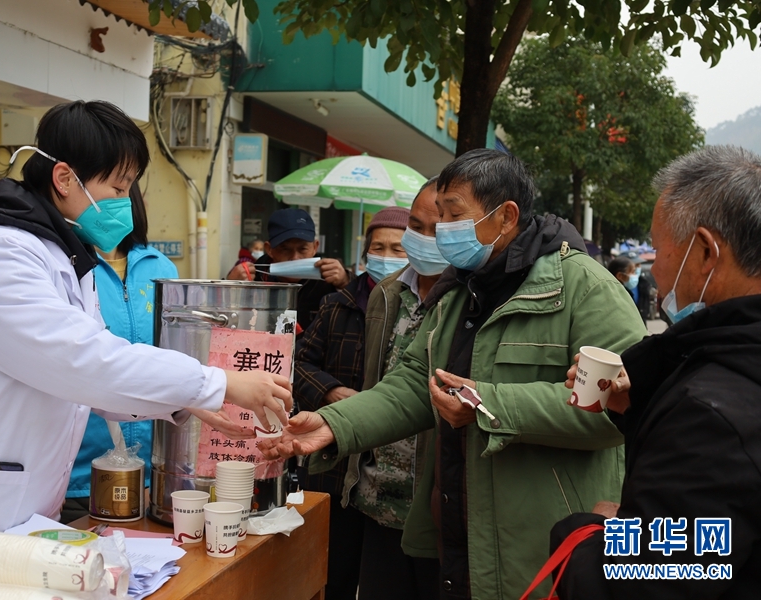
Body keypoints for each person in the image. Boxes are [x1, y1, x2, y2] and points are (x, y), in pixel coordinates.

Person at [0, 100, 290, 532]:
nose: (125, 203)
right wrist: (216, 382)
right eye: (118, 189)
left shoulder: (63, 258)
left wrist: (189, 402)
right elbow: (83, 360)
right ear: (64, 178)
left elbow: (94, 384)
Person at [260, 149, 646, 600]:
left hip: (542, 543)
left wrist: (488, 405)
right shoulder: (461, 291)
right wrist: (333, 424)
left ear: (505, 216)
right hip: (457, 533)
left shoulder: (585, 288)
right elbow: (412, 384)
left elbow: (619, 408)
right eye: (436, 216)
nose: (442, 231)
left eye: (453, 215)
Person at [551, 145, 761, 599]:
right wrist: (645, 400)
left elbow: (641, 583)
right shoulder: (717, 375)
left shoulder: (710, 416)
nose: (657, 270)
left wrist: (592, 531)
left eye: (660, 248)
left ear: (705, 252)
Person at [293, 205, 410, 600]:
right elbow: (299, 361)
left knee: (382, 573)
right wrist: (331, 392)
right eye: (378, 246)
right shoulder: (337, 304)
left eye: (398, 248)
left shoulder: (419, 309)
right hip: (330, 457)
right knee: (330, 568)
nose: (386, 255)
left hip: (387, 470)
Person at [347, 177, 445, 600]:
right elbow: (378, 384)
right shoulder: (386, 294)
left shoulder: (470, 298)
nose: (422, 239)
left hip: (435, 507)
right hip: (377, 497)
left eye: (435, 230)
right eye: (415, 227)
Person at [60, 183, 176, 523]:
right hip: (78, 475)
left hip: (154, 471)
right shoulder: (68, 265)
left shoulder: (161, 268)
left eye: (122, 189)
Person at [226, 207, 351, 332]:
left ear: (315, 247)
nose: (295, 257)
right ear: (269, 249)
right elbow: (219, 323)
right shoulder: (252, 280)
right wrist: (228, 287)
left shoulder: (328, 281)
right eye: (285, 249)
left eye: (302, 249)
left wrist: (346, 282)